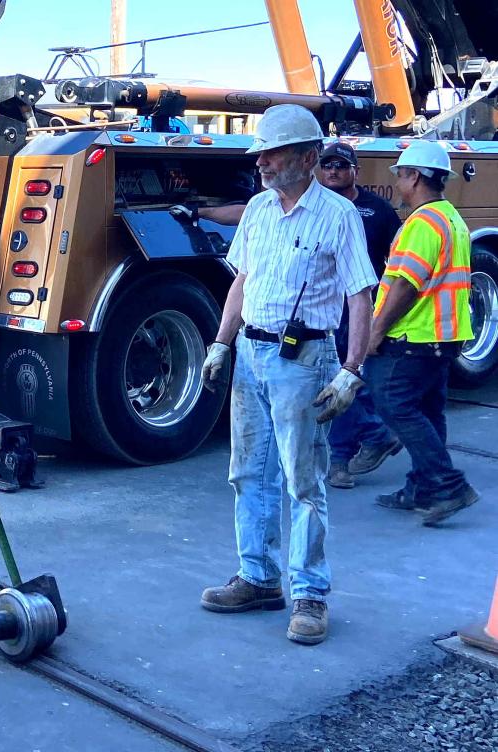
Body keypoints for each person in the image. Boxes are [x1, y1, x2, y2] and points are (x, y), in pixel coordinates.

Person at [198, 104, 378, 646]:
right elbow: (242, 283)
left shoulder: (338, 215)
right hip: (251, 356)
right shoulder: (257, 210)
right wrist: (220, 343)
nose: (262, 163)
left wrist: (351, 370)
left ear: (307, 156)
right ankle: (257, 578)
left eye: (272, 154)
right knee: (248, 472)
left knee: (303, 481)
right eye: (261, 155)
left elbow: (359, 295)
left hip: (304, 361)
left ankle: (310, 593)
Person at [365, 140, 479, 526]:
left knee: (394, 405)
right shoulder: (450, 218)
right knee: (429, 410)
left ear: (414, 176)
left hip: (415, 336)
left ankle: (448, 485)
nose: (397, 181)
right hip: (444, 336)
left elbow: (405, 285)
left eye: (400, 174)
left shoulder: (422, 223)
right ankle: (421, 488)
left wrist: (375, 332)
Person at [317, 142, 403, 489]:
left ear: (356, 170)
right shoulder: (319, 208)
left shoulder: (378, 211)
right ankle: (366, 442)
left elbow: (396, 263)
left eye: (341, 165)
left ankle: (343, 458)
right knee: (335, 380)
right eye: (327, 165)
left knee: (345, 380)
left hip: (360, 308)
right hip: (325, 306)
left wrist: (384, 312)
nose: (333, 171)